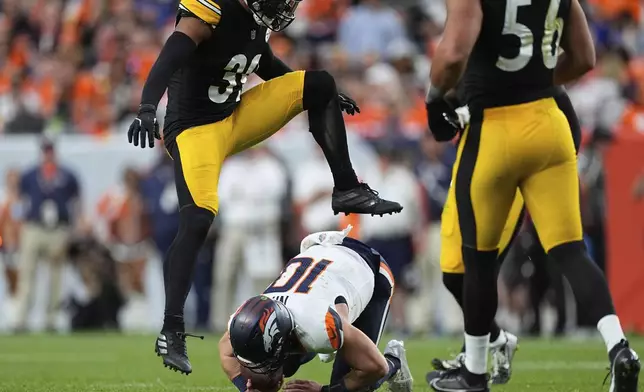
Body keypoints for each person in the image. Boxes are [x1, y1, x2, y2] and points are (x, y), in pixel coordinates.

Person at [126, 0, 403, 375]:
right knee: (197, 221)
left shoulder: (256, 18)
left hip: (233, 115)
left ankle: (347, 189)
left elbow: (266, 63)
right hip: (194, 130)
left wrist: (317, 98)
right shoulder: (212, 9)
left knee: (319, 82)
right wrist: (146, 106)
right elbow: (171, 53)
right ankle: (171, 329)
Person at [424, 0, 640, 391]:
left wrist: (433, 97)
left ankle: (474, 372)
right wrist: (531, 78)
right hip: (549, 121)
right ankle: (620, 348)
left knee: (478, 260)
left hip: (495, 128)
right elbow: (584, 57)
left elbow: (454, 53)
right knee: (571, 251)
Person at [218, 226, 413, 392]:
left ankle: (395, 361)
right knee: (284, 366)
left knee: (354, 382)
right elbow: (225, 350)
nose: (260, 372)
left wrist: (325, 391)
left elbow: (374, 368)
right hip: (320, 259)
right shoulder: (246, 320)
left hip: (368, 268)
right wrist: (246, 387)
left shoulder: (319, 325)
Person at [15, 138, 81, 333]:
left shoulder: (67, 175)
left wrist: (73, 229)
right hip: (34, 227)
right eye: (45, 151)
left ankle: (50, 320)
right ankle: (21, 319)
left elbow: (76, 202)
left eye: (50, 150)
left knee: (55, 276)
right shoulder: (29, 175)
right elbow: (20, 200)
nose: (48, 154)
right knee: (27, 274)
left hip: (58, 229)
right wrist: (20, 224)